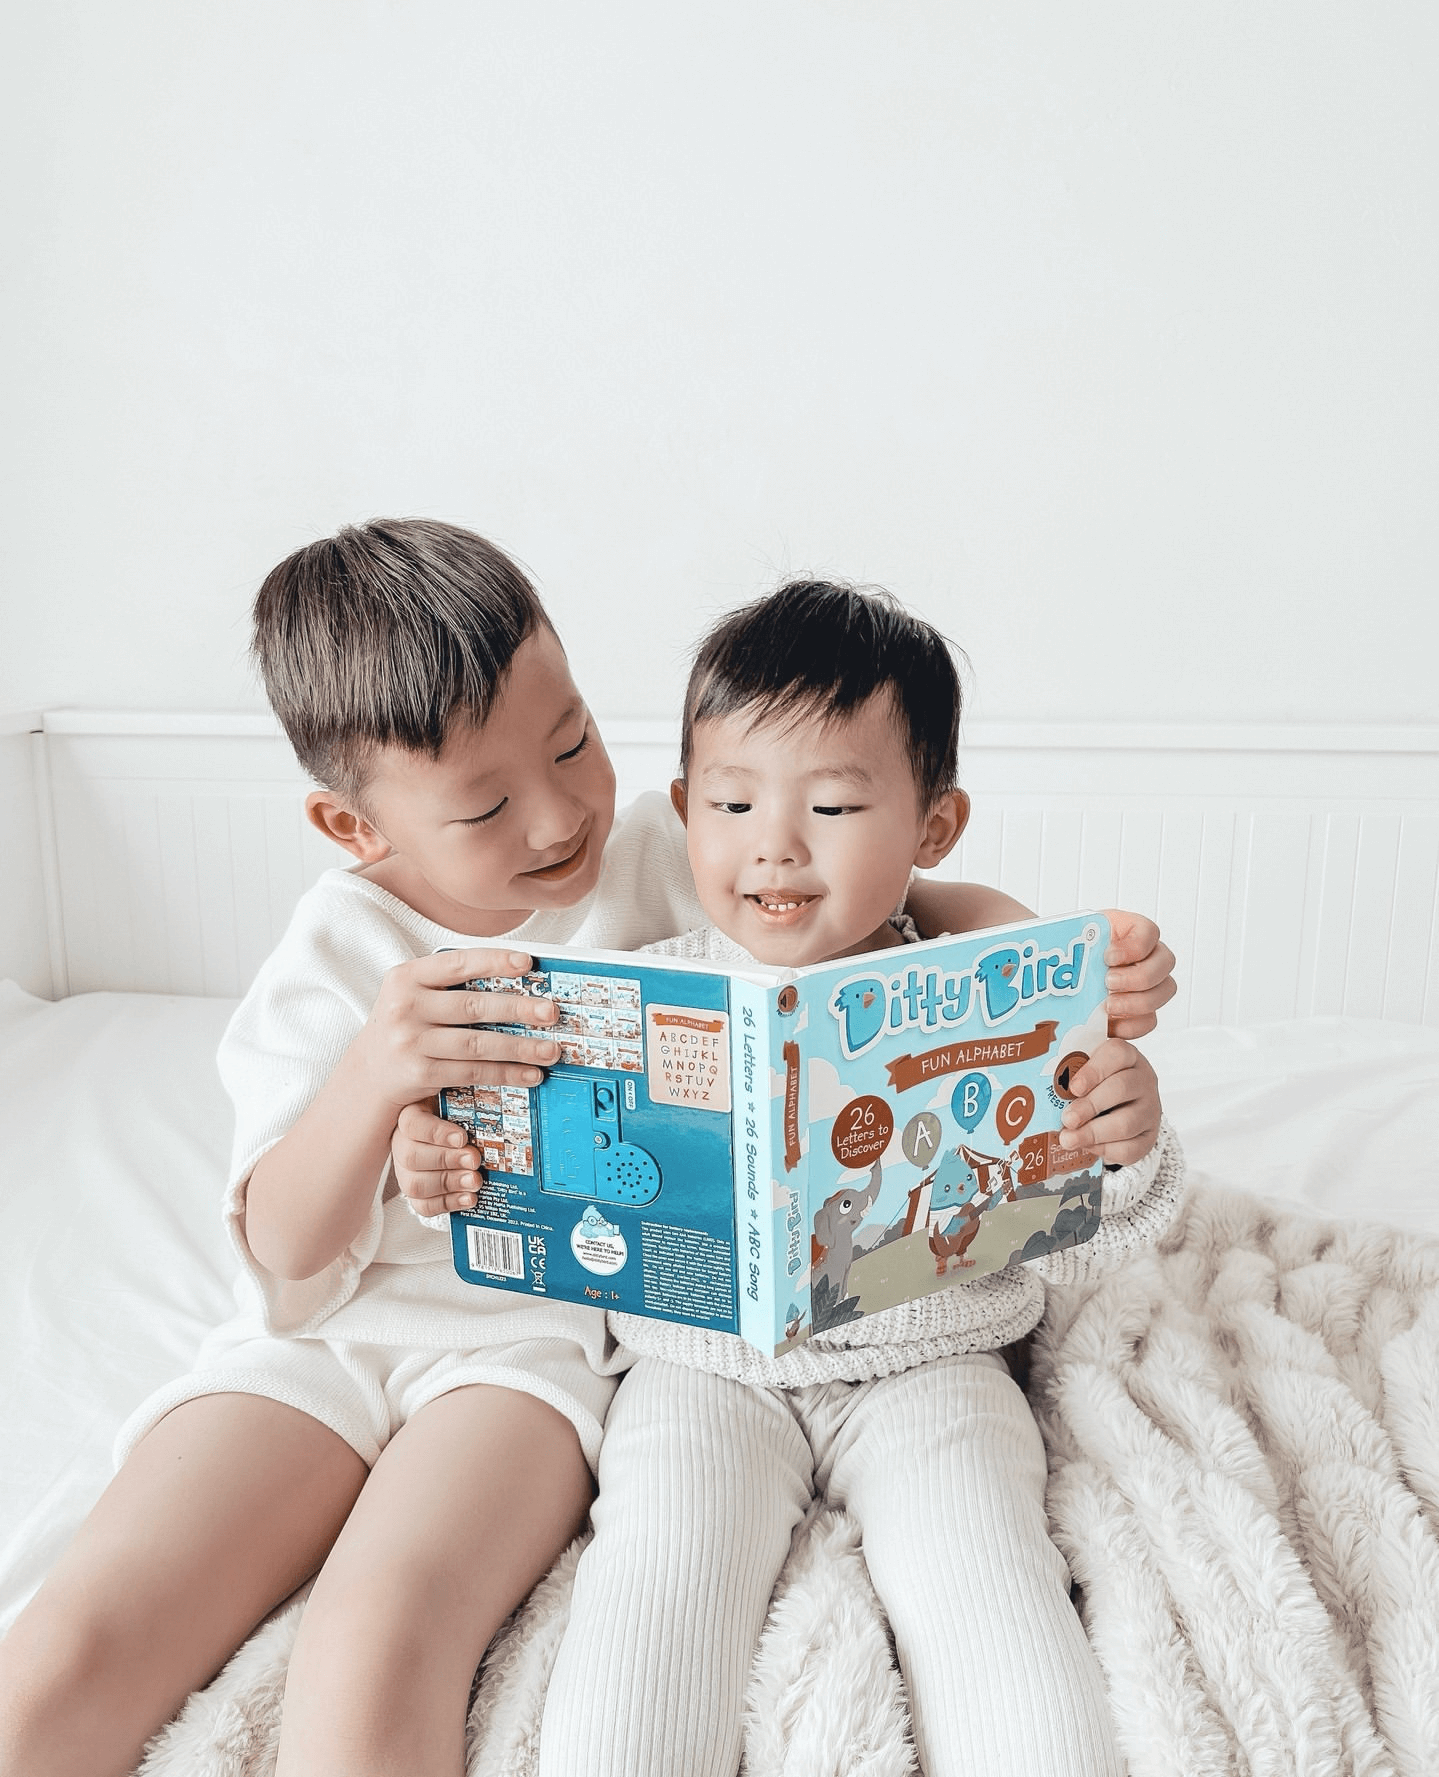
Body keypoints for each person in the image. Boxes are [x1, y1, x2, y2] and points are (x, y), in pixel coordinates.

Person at [0, 525, 1173, 1777]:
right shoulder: (334, 954)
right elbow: (281, 1255)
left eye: (572, 741)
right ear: (351, 825)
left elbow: (885, 896)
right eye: (486, 801)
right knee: (64, 1655)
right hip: (325, 1339)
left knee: (370, 1643)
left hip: (529, 1344)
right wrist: (377, 1076)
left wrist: (1050, 963)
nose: (560, 811)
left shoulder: (675, 851)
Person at [399, 579, 1184, 1777]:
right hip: (695, 1372)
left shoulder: (997, 1000)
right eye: (729, 801)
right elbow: (526, 1178)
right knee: (649, 1605)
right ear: (684, 811)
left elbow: (1091, 1229)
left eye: (831, 802)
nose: (774, 840)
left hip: (935, 1363)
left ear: (934, 826)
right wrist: (441, 1163)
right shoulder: (624, 993)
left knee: (994, 1608)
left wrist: (1121, 1141)